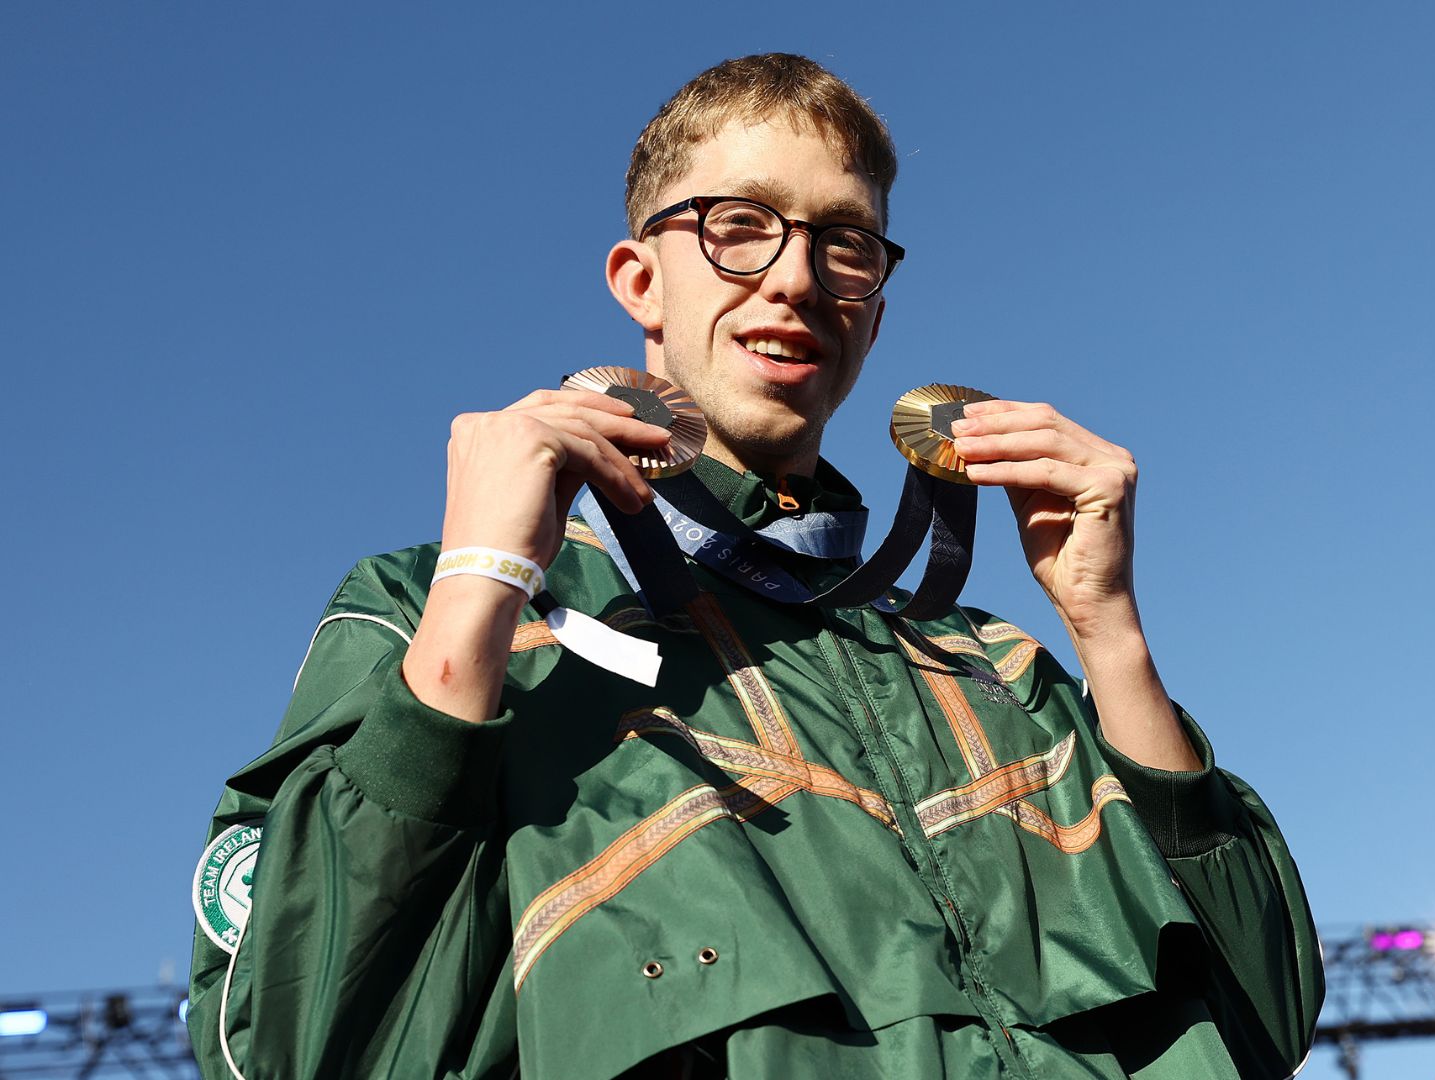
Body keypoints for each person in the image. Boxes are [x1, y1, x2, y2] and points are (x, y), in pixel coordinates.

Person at [187, 53, 1322, 1079]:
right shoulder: (450, 622)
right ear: (639, 281)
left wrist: (1108, 628)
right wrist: (482, 582)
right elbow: (286, 1045)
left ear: (874, 314)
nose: (795, 278)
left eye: (846, 242)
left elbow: (1266, 1015)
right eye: (738, 224)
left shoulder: (999, 669)